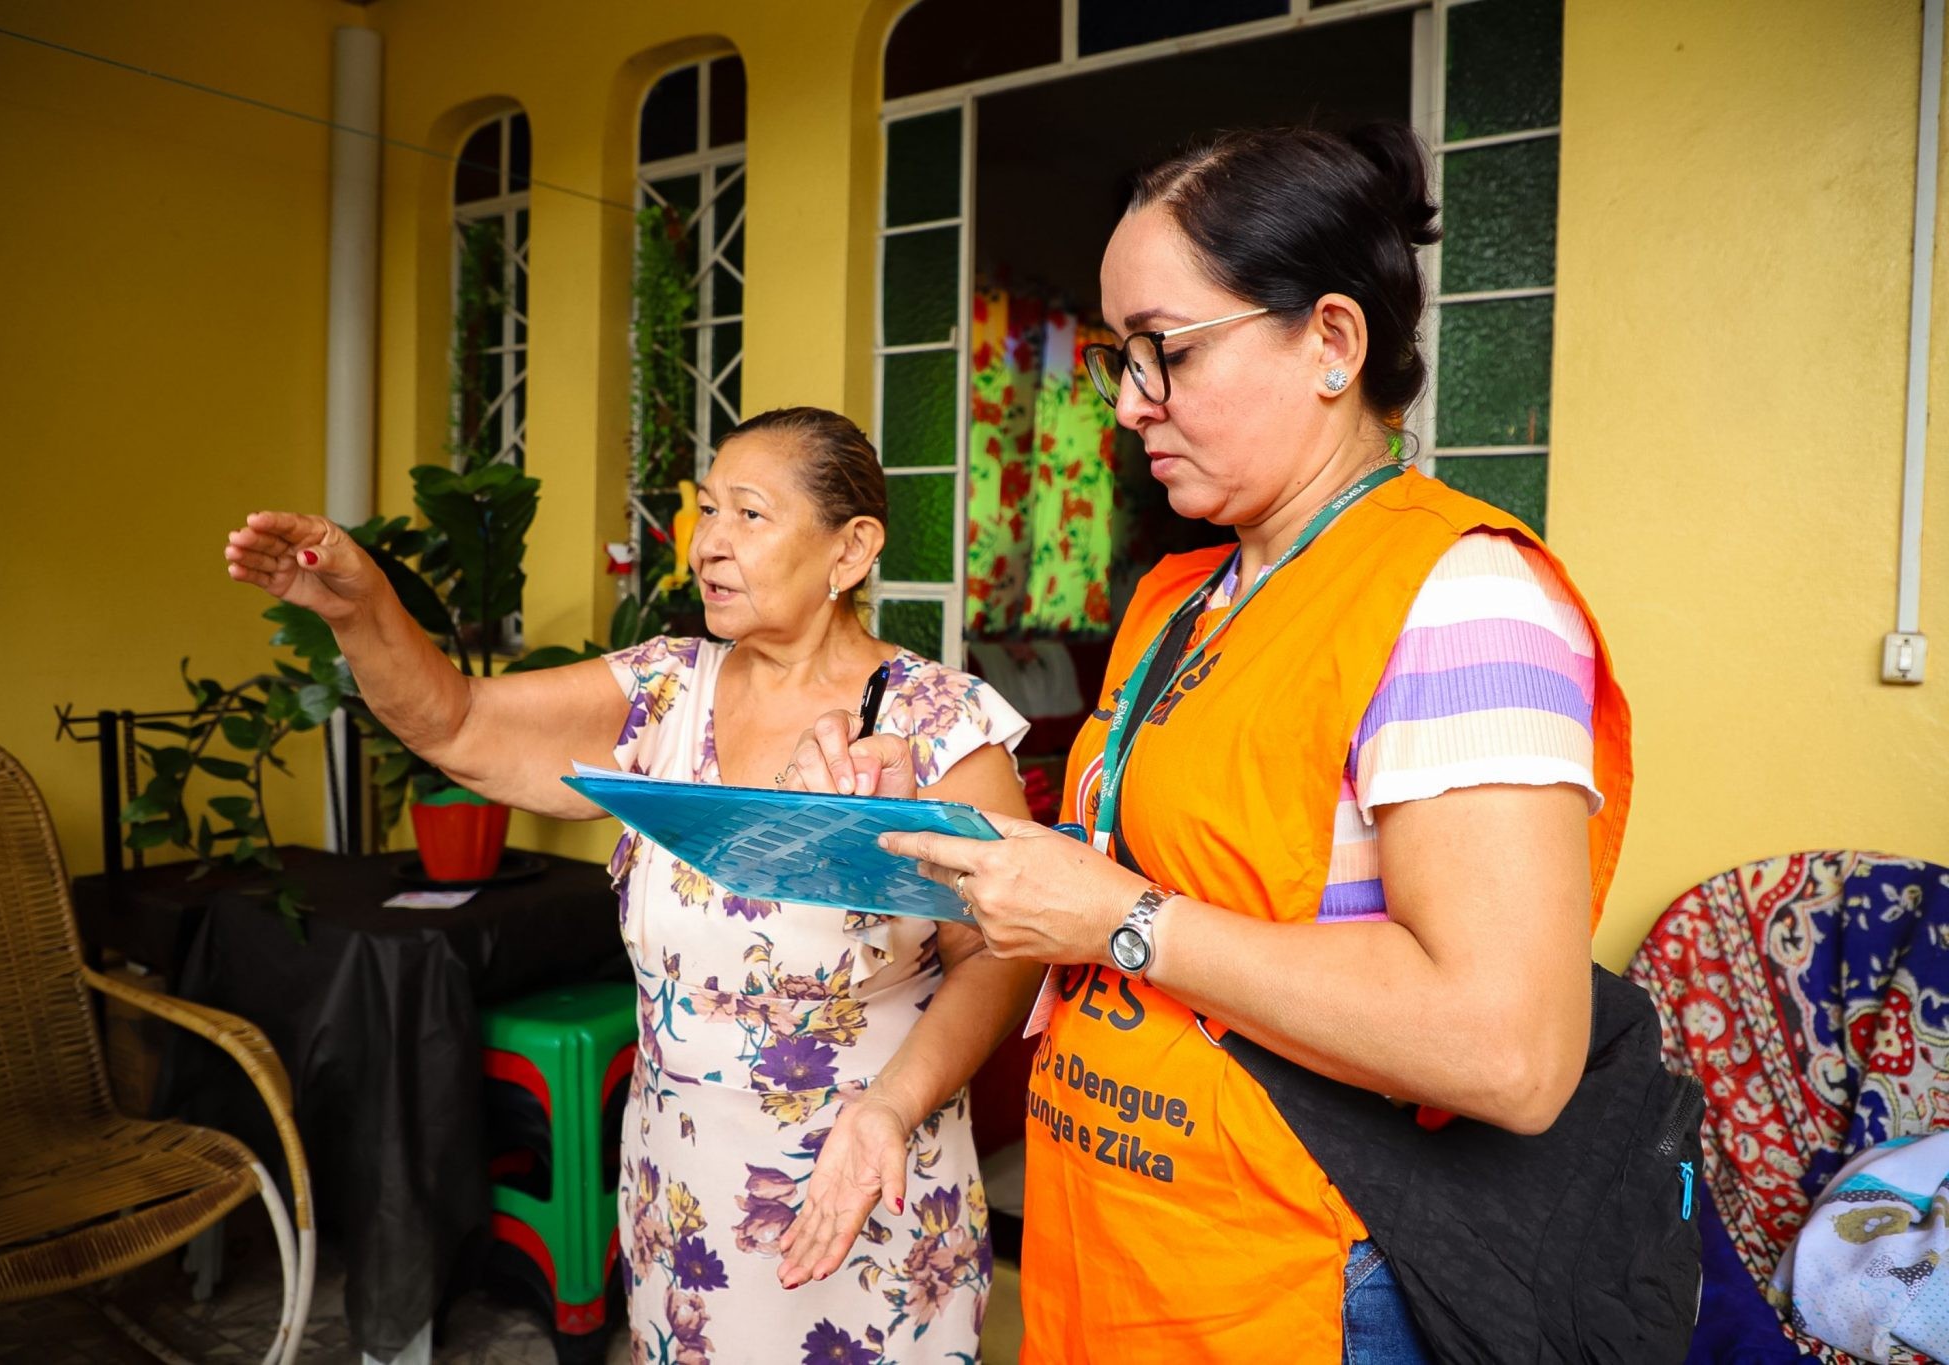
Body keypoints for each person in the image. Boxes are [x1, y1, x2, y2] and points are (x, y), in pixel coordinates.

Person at [794, 126, 1634, 1363]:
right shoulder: (1183, 597)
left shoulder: (1456, 598)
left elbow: (1507, 1048)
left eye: (1166, 352)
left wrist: (1122, 921)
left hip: (1290, 1283)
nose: (1130, 402)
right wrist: (925, 833)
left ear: (1331, 344)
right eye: (1116, 358)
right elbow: (1114, 873)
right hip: (1123, 1250)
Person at [223, 407, 1039, 1364]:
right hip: (680, 1192)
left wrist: (890, 1109)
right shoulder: (663, 692)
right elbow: (457, 723)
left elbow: (997, 950)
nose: (710, 544)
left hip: (865, 1183)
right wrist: (360, 610)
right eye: (704, 511)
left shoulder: (935, 723)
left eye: (749, 514)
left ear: (851, 549)